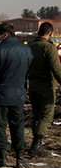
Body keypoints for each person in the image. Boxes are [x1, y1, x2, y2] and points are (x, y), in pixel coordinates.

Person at [0, 23, 32, 168]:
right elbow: (27, 71)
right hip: (18, 95)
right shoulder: (26, 50)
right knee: (17, 126)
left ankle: (2, 157)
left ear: (5, 34)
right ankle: (20, 158)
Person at [27, 22, 61, 157]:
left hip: (32, 85)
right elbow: (56, 69)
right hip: (46, 86)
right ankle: (36, 145)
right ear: (50, 33)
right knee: (47, 115)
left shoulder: (30, 47)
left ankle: (35, 144)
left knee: (37, 115)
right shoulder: (49, 48)